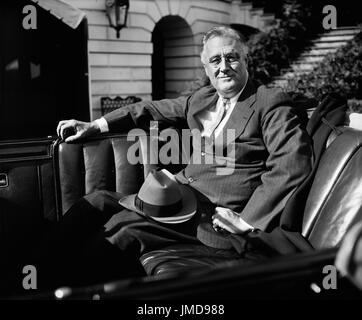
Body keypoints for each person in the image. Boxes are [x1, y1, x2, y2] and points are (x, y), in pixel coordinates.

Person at [52, 26, 312, 286]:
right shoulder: (203, 98)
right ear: (206, 68)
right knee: (96, 202)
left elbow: (292, 163)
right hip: (176, 198)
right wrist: (96, 124)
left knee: (119, 231)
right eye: (215, 60)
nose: (224, 67)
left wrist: (246, 221)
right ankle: (38, 274)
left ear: (246, 60)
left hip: (211, 220)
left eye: (231, 57)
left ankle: (65, 288)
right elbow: (151, 108)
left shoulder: (268, 102)